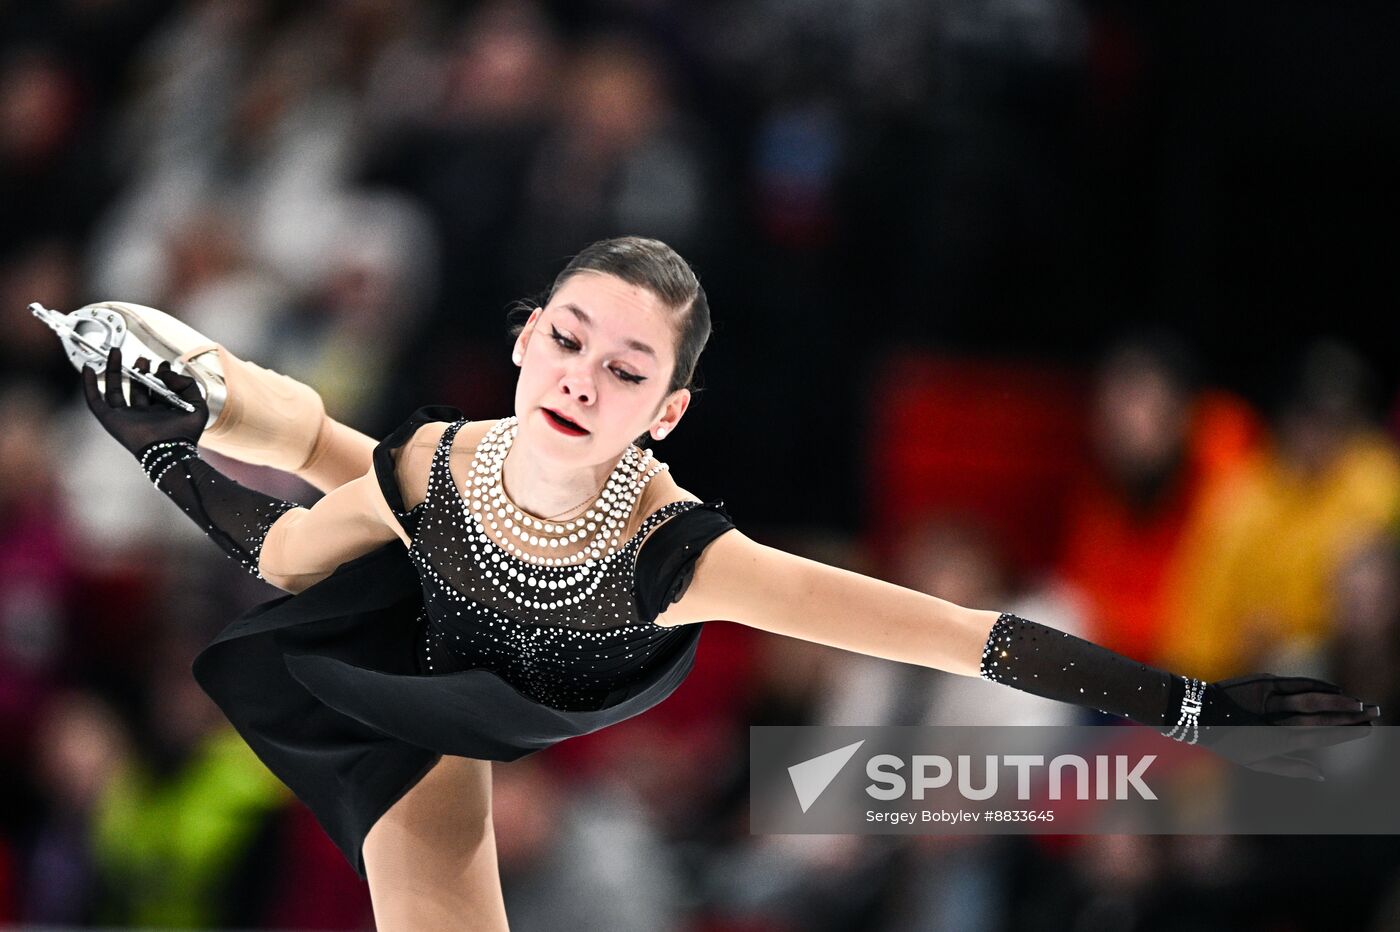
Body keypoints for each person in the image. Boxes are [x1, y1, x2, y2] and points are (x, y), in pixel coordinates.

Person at [68, 236, 1379, 929]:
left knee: (337, 478)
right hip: (426, 670)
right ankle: (188, 384)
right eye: (567, 338)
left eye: (626, 369)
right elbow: (280, 554)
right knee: (322, 507)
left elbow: (963, 635)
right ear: (526, 338)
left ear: (669, 410)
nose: (583, 375)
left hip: (557, 660)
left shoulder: (688, 558)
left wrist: (1192, 708)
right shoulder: (435, 464)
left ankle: (208, 398)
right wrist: (169, 456)